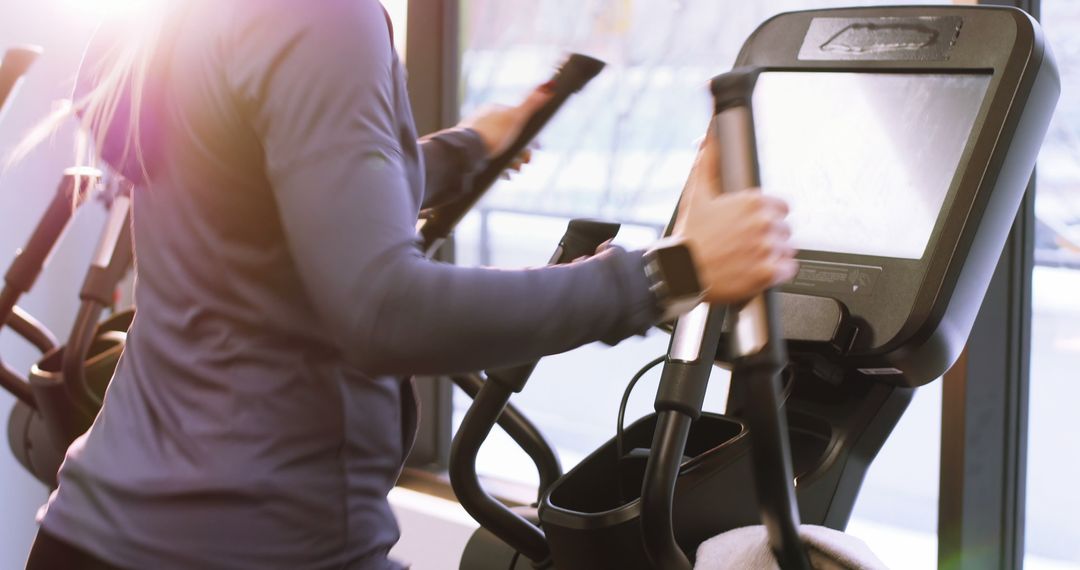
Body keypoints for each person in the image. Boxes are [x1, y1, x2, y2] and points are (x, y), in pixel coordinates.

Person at [24, 1, 797, 568]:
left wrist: (464, 149)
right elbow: (383, 309)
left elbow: (265, 193)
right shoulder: (320, 18)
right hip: (254, 546)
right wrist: (672, 273)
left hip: (103, 534)